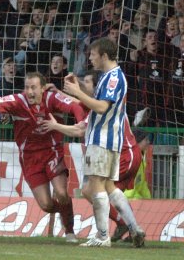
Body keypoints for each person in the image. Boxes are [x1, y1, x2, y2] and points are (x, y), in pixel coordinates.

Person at [0, 72, 86, 243]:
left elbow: (77, 107)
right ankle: (66, 210)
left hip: (52, 152)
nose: (30, 91)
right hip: (30, 159)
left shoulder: (52, 99)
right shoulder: (18, 101)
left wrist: (80, 123)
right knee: (46, 205)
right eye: (27, 87)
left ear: (43, 88)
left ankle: (69, 231)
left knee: (62, 193)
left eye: (33, 87)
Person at [40, 69, 148, 247]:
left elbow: (79, 129)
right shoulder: (99, 105)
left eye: (87, 83)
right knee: (104, 188)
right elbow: (79, 100)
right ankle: (133, 228)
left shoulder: (100, 108)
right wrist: (60, 92)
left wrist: (54, 125)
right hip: (127, 152)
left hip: (122, 153)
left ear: (98, 87)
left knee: (92, 189)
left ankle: (110, 231)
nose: (83, 85)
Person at [62, 37, 145, 247]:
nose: (90, 58)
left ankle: (102, 236)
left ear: (104, 56)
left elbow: (101, 107)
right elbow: (97, 99)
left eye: (93, 55)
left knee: (95, 185)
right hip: (111, 140)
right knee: (108, 186)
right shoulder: (110, 76)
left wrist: (77, 92)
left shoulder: (114, 78)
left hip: (102, 139)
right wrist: (79, 84)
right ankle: (135, 228)